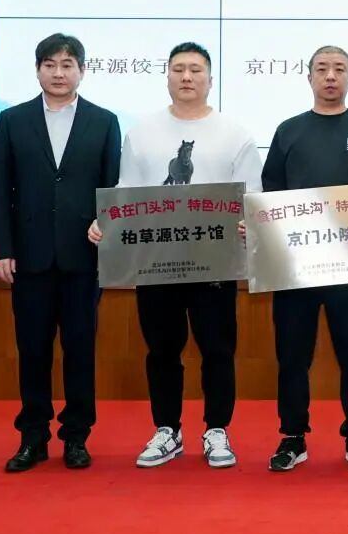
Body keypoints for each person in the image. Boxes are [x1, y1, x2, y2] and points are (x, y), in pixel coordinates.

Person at [90, 42, 261, 469]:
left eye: (196, 70)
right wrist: (105, 222)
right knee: (162, 349)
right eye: (179, 69)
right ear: (166, 76)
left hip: (215, 261)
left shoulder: (235, 133)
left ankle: (217, 429)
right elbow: (126, 192)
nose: (187, 76)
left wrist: (249, 222)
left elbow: (252, 197)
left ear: (210, 79)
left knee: (217, 349)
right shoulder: (142, 132)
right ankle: (167, 429)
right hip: (156, 261)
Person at [0, 33, 121, 472]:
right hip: (30, 257)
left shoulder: (104, 122)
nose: (58, 73)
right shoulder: (13, 120)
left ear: (82, 70)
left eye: (67, 65)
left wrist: (107, 224)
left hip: (85, 256)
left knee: (80, 350)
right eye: (50, 64)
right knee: (33, 350)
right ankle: (33, 436)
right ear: (38, 70)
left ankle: (77, 437)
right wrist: (1, 248)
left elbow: (112, 188)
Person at [261, 46, 348, 473]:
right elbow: (270, 193)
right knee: (292, 356)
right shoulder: (288, 131)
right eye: (322, 69)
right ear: (309, 77)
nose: (330, 76)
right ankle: (292, 436)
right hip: (296, 266)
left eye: (339, 69)